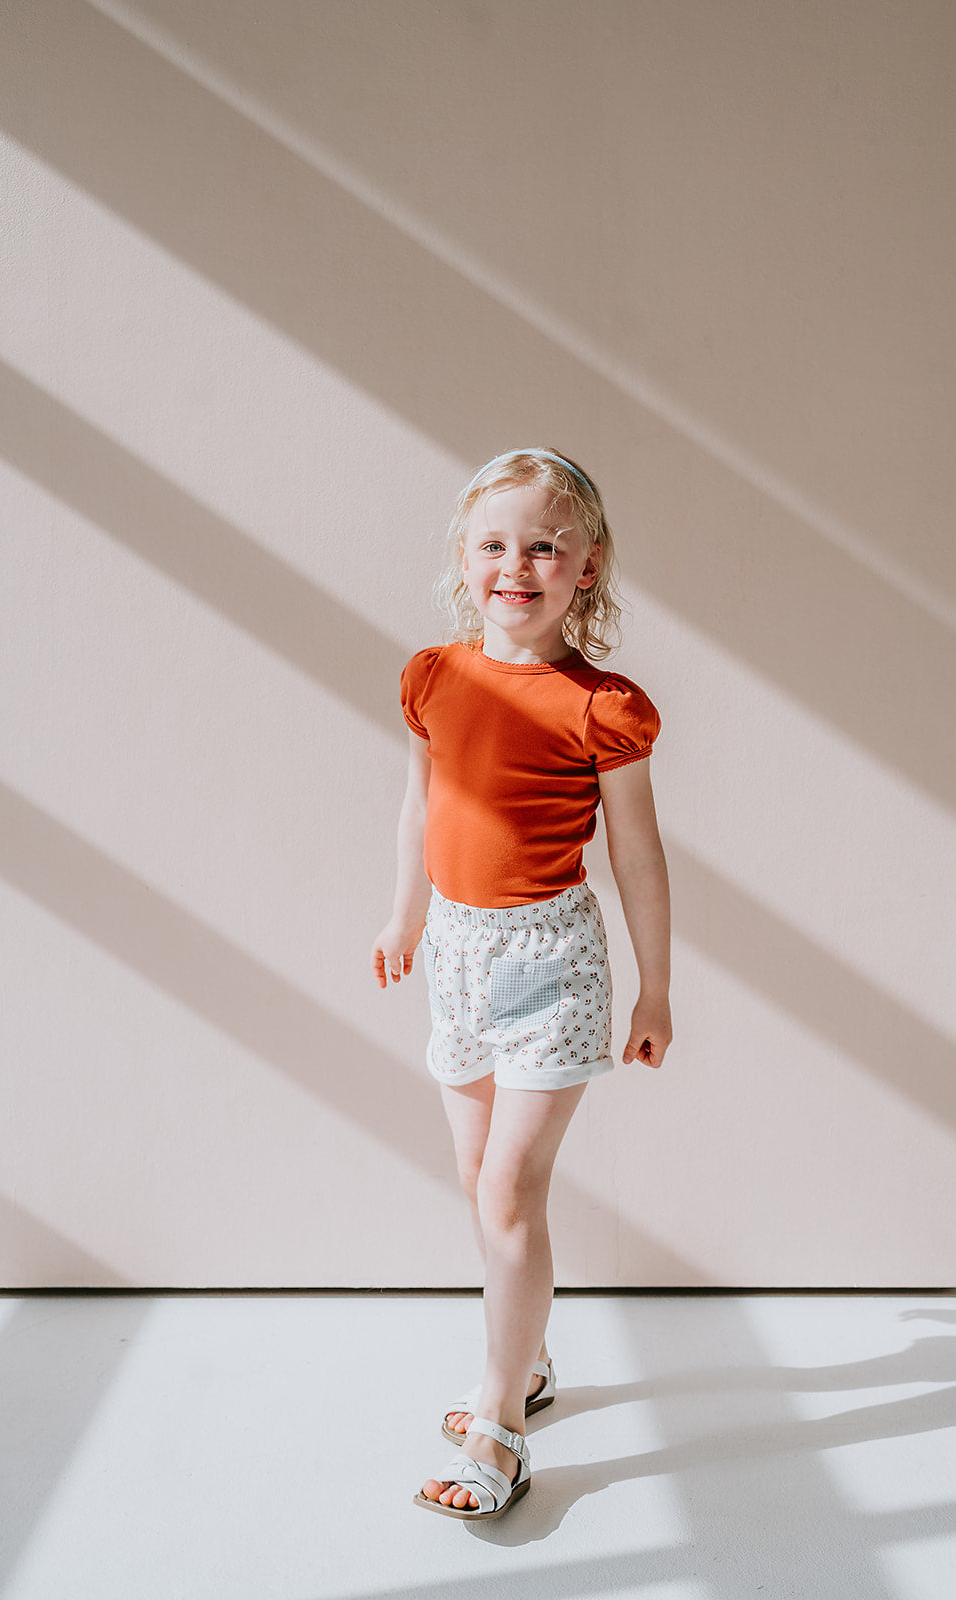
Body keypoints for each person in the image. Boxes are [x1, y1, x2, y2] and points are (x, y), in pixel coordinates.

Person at [371, 447, 672, 1520]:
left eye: (544, 545)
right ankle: (532, 1357)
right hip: (454, 951)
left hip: (553, 965)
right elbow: (420, 804)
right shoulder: (432, 677)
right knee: (472, 1176)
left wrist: (653, 990)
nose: (518, 564)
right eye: (495, 544)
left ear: (584, 567)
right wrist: (405, 915)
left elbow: (636, 855)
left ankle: (498, 1422)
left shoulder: (603, 706)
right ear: (465, 558)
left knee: (510, 1190)